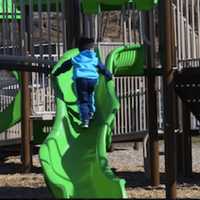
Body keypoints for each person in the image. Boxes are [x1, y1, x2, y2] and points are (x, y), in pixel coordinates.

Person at [53, 37, 112, 128]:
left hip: (81, 80)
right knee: (90, 95)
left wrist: (56, 73)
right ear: (91, 48)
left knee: (83, 100)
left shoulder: (77, 58)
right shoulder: (94, 58)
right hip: (93, 80)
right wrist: (109, 75)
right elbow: (102, 68)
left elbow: (65, 66)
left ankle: (85, 120)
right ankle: (91, 112)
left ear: (80, 49)